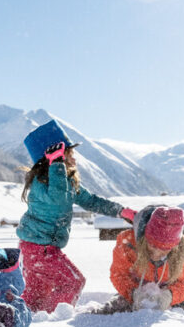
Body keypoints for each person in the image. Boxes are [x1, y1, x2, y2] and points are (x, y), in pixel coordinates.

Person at [16, 119, 136, 313]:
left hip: (37, 248)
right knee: (73, 282)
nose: (74, 157)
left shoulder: (67, 181)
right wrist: (56, 165)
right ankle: (54, 321)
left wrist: (121, 211)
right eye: (70, 152)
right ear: (54, 156)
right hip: (40, 249)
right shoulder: (42, 182)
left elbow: (91, 201)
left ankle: (26, 320)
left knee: (36, 295)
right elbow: (57, 198)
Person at [92, 205, 184, 314]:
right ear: (145, 238)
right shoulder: (127, 243)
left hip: (172, 295)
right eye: (152, 246)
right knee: (106, 312)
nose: (156, 254)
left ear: (175, 246)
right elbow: (119, 274)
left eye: (164, 250)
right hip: (136, 293)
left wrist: (170, 295)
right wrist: (133, 292)